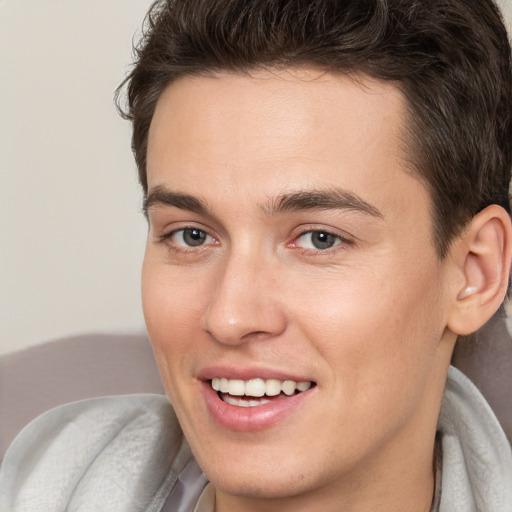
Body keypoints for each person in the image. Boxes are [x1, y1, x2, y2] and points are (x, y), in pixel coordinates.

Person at [1, 0, 512, 510]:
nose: (229, 316)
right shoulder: (34, 476)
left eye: (319, 239)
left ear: (475, 272)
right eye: (192, 236)